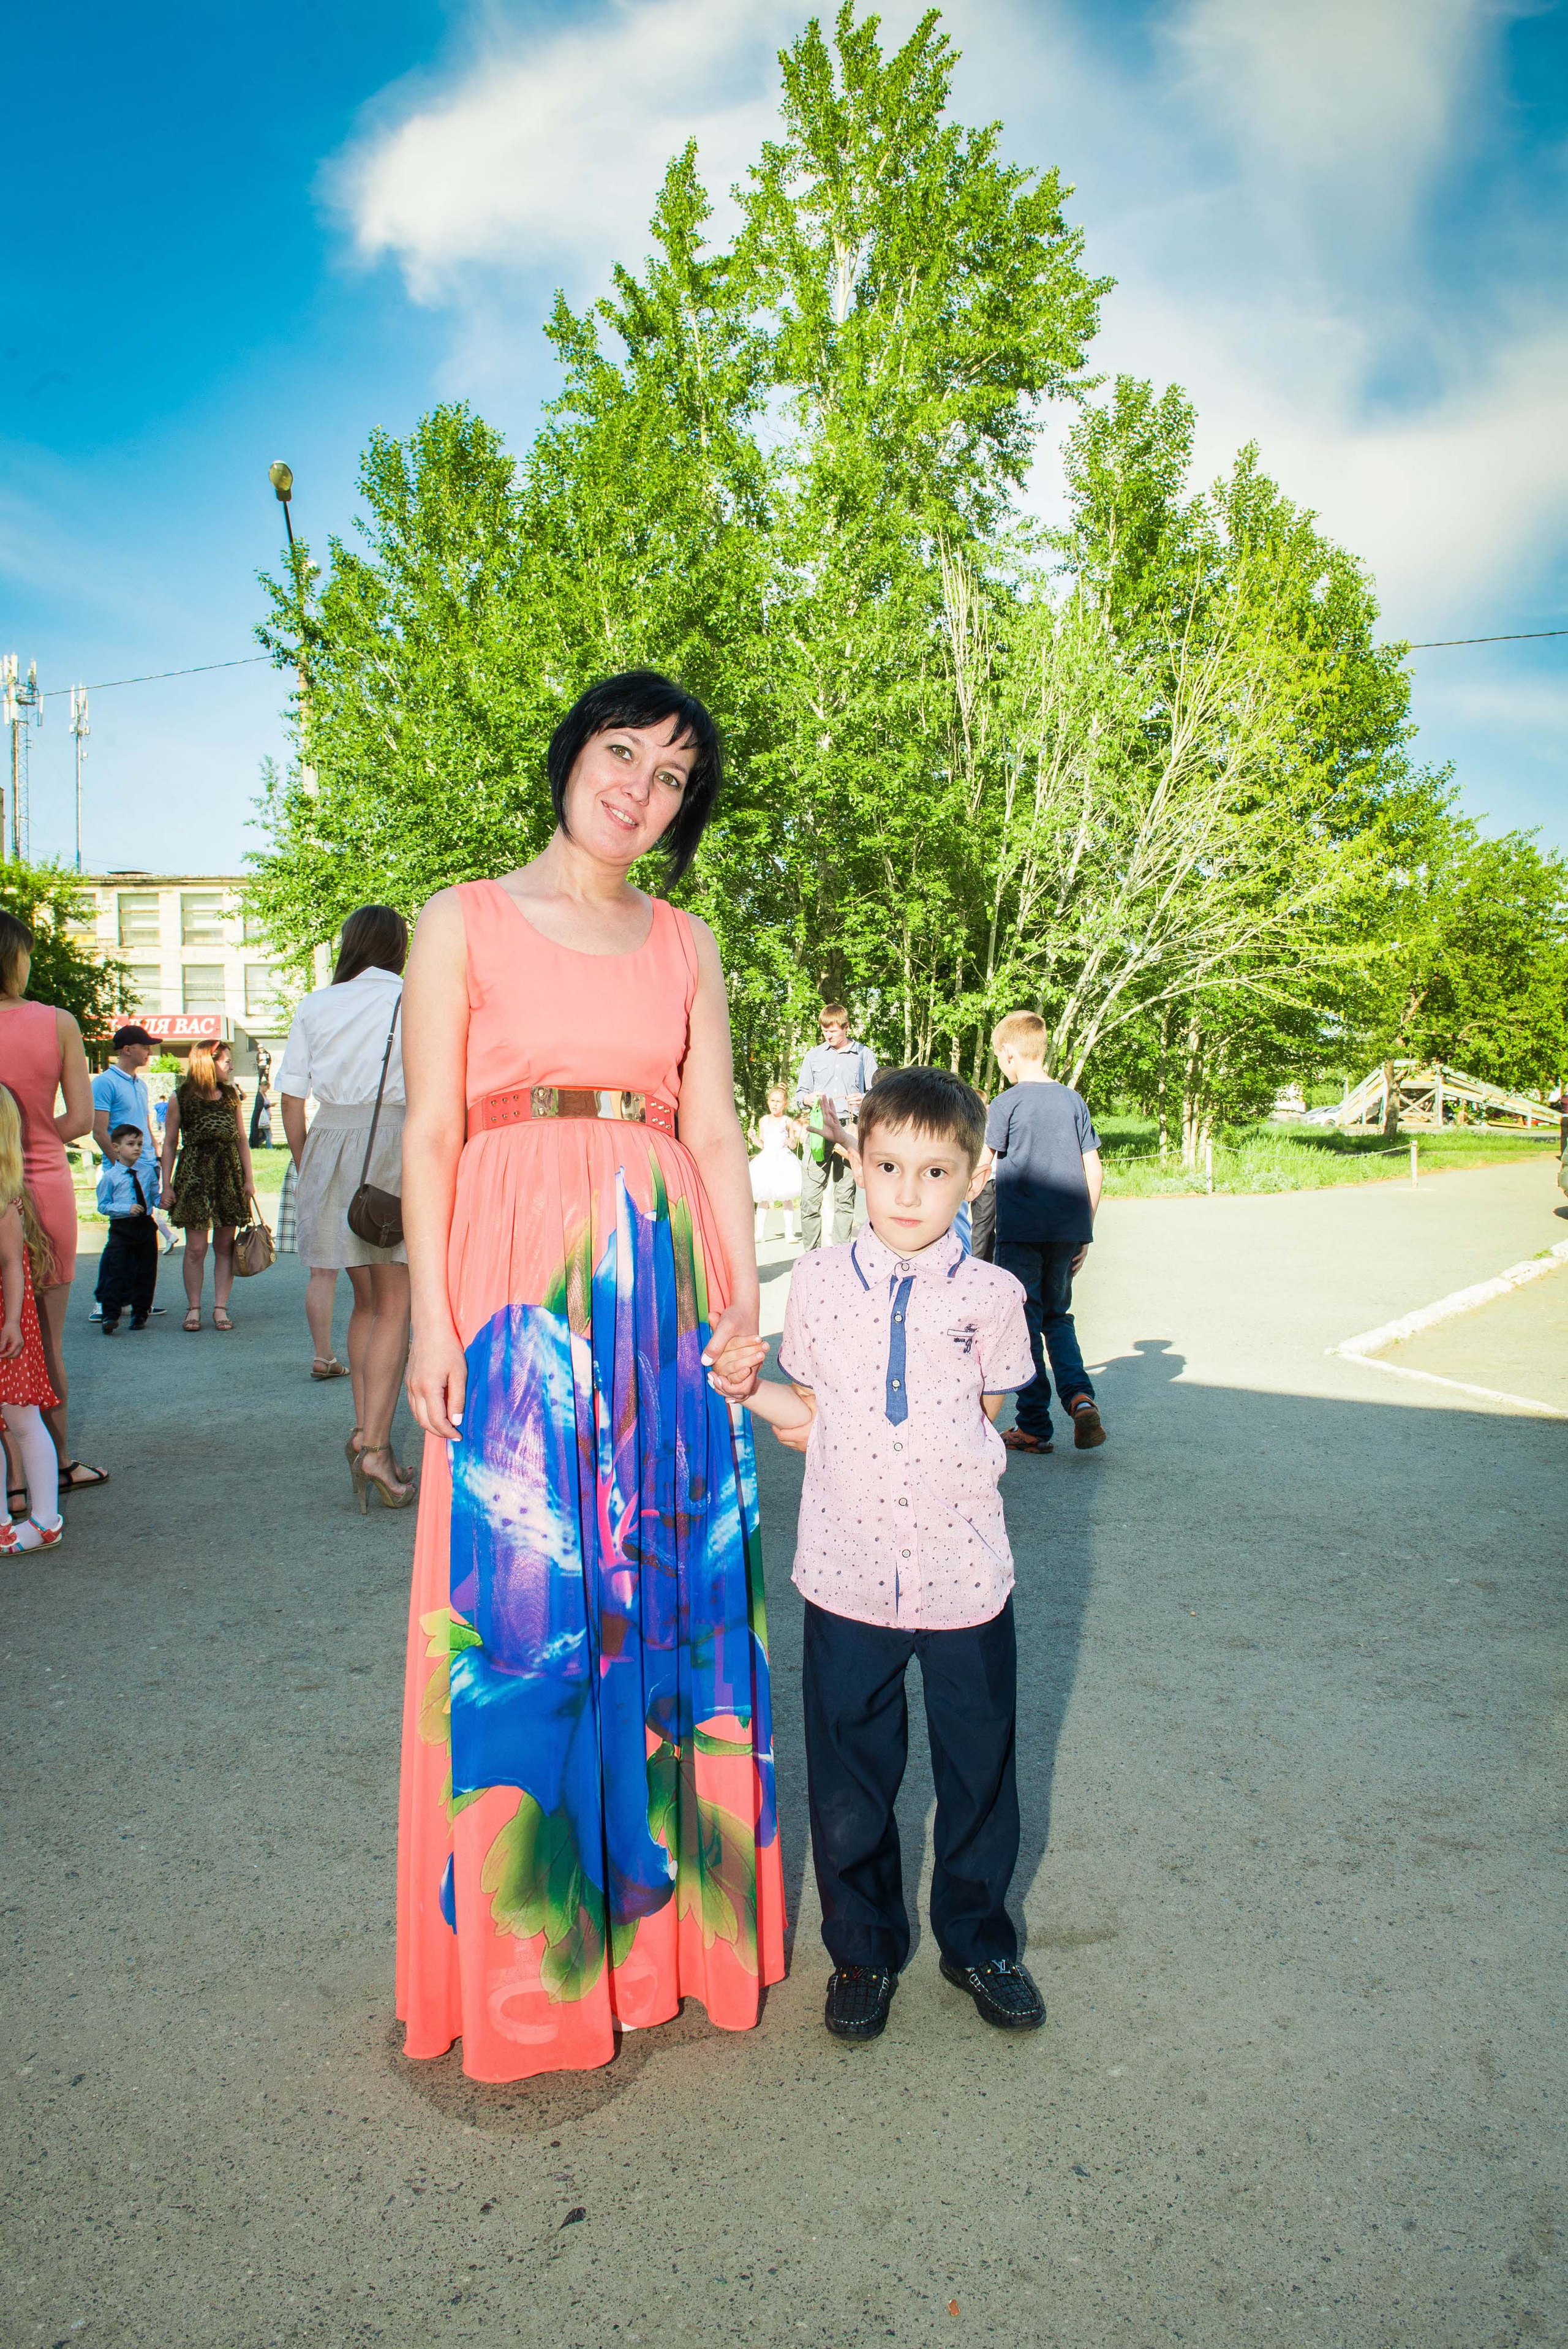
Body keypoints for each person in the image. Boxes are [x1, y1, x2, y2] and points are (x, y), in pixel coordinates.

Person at [397, 668, 784, 2083]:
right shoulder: (465, 916)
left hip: (660, 1271)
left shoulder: (685, 939)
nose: (639, 785)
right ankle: (529, 1962)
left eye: (672, 774)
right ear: (569, 758)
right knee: (525, 1607)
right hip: (511, 1278)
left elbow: (724, 1130)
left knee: (663, 1595)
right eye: (620, 752)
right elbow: (433, 1129)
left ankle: (664, 1942)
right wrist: (435, 1320)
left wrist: (744, 1303)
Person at [715, 1065, 1045, 2042]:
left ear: (975, 1174)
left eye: (935, 1170)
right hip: (847, 1574)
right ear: (855, 1161)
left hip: (965, 1581)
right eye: (889, 1164)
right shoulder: (815, 1282)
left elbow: (984, 1419)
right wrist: (747, 1389)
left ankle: (980, 1939)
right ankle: (861, 1947)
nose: (908, 1190)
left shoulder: (995, 1293)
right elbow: (810, 1420)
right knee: (852, 1779)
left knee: (979, 1770)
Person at [277, 905, 413, 1499]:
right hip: (394, 1144)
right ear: (399, 947)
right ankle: (377, 1451)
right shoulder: (414, 998)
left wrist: (311, 1166)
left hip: (330, 1144)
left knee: (363, 1303)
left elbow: (289, 1098)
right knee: (396, 1304)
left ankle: (362, 1431)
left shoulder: (316, 1002)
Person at [0, 910, 106, 1506]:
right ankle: (55, 1464)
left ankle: (12, 1475)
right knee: (43, 1338)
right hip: (41, 1181)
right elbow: (80, 1120)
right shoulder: (57, 1022)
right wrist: (35, 1130)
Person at [982, 1010, 1105, 1455]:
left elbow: (983, 1163)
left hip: (1020, 1232)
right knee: (1058, 1317)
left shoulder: (1006, 1103)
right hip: (1067, 1231)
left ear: (1010, 1053)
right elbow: (1095, 1169)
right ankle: (1079, 1396)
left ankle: (1033, 1425)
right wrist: (1085, 1231)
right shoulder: (1073, 1100)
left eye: (1000, 1057)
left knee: (1024, 1323)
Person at [0, 1083, 66, 1553]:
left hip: (7, 1326)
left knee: (23, 1420)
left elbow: (11, 1267)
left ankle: (45, 1519)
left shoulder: (5, 1199)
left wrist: (14, 1322)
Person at [161, 1039, 258, 1333]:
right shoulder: (182, 1097)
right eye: (226, 1060)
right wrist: (166, 1185)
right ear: (208, 1061)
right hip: (194, 1176)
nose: (230, 1065)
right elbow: (169, 1143)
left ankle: (220, 1308)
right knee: (196, 1248)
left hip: (228, 1174)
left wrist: (249, 1179)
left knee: (225, 1246)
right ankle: (194, 1308)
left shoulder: (231, 1096)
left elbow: (242, 1137)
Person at [90, 1023, 167, 1321]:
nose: (149, 1051)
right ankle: (103, 1301)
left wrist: (154, 1156)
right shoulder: (105, 1082)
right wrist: (119, 1167)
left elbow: (144, 1125)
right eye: (145, 1046)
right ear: (127, 1050)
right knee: (119, 1240)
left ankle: (138, 1300)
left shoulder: (140, 1083)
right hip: (122, 1169)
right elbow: (99, 1131)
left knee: (143, 1238)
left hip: (145, 1166)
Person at [794, 1004, 877, 1249]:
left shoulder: (864, 1055)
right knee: (810, 1198)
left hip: (850, 1131)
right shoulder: (814, 1055)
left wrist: (865, 1098)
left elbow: (880, 1094)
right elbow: (800, 1094)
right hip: (819, 1130)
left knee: (845, 1197)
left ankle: (842, 1255)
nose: (829, 1036)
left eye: (834, 1031)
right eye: (825, 1031)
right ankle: (811, 1254)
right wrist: (810, 1099)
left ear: (846, 1027)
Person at [94, 1126, 159, 1332]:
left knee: (146, 1271)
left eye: (140, 1144)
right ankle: (110, 1315)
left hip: (145, 1226)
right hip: (122, 1228)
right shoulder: (110, 1177)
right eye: (131, 1144)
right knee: (116, 1270)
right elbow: (103, 1206)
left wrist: (164, 1200)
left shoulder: (147, 1171)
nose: (137, 1148)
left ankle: (140, 1314)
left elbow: (153, 1195)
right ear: (116, 1148)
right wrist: (125, 1208)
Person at [748, 1082, 803, 1243]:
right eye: (772, 1101)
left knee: (787, 1198)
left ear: (785, 1104)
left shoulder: (787, 1121)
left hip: (784, 1160)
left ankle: (789, 1232)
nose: (775, 1104)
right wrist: (753, 1138)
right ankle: (759, 1232)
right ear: (768, 1102)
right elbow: (762, 1144)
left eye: (778, 1102)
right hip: (767, 1160)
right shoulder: (764, 1120)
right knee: (763, 1197)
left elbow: (794, 1143)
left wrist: (789, 1141)